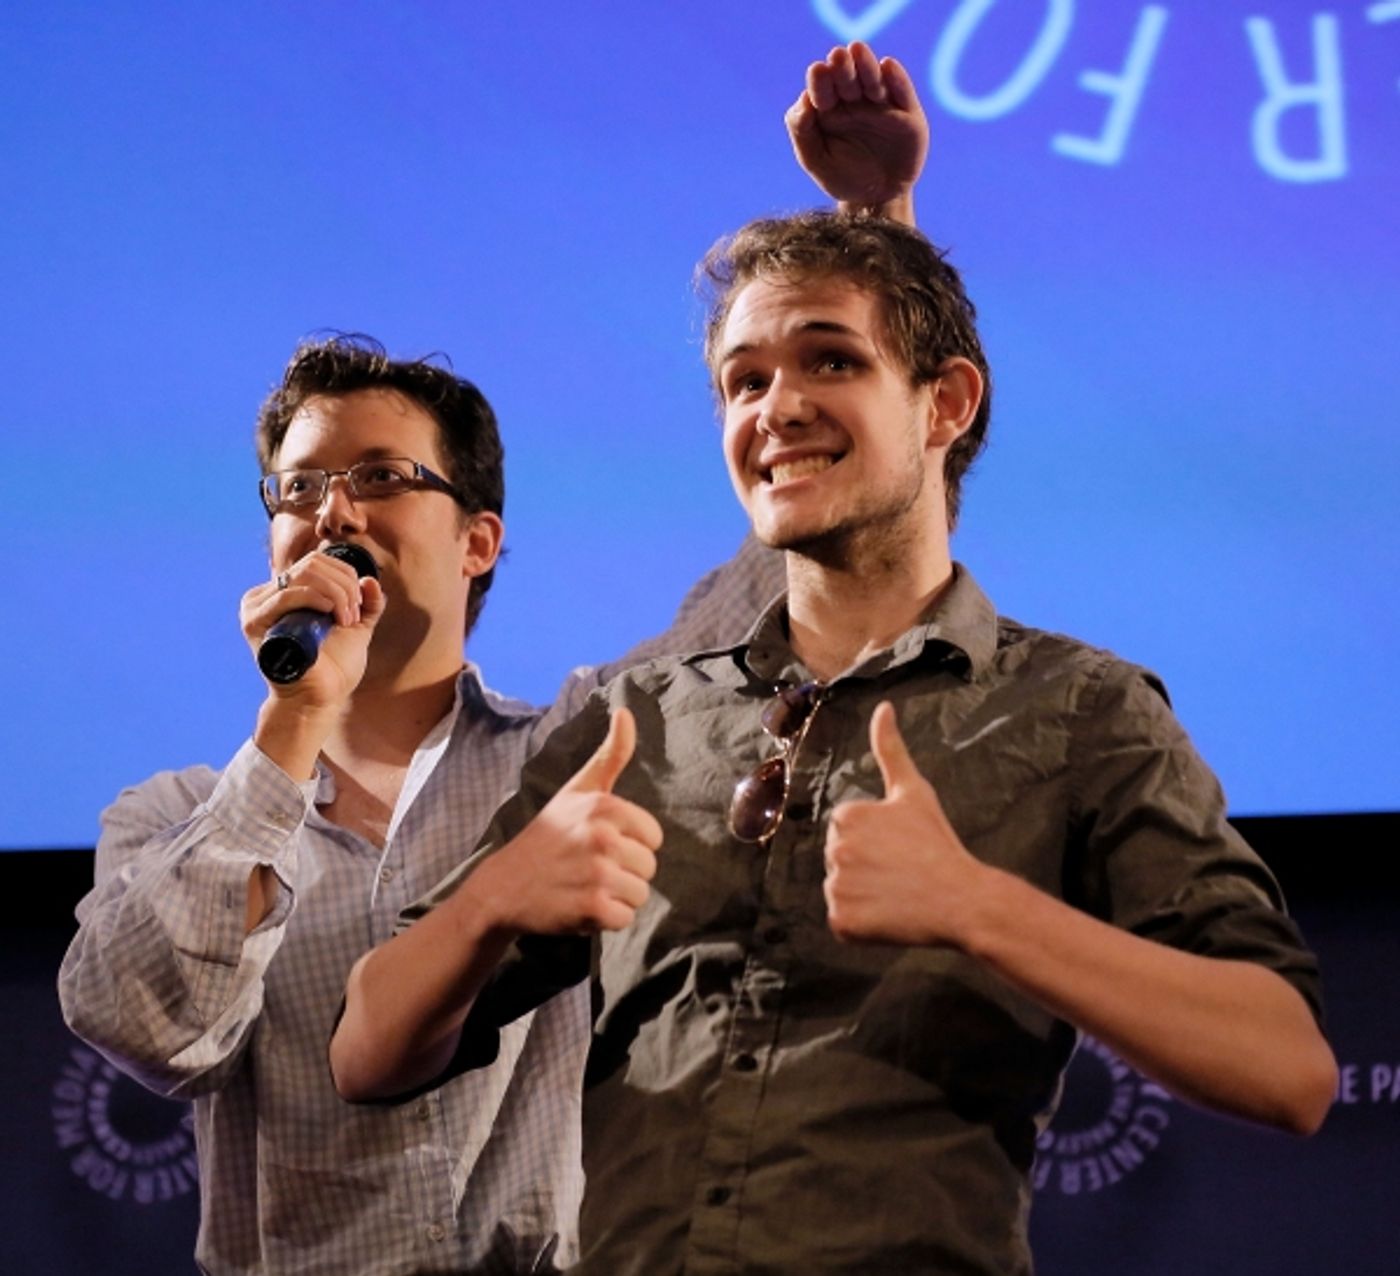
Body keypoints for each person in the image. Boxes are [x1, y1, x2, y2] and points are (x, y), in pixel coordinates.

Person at [330, 116, 1339, 1276]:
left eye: (830, 360)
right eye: (741, 381)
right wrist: (494, 897)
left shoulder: (1080, 712)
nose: (775, 408)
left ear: (945, 403)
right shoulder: (636, 725)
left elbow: (1289, 1069)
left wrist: (977, 907)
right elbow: (368, 1053)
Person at [57, 41, 924, 1276]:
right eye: (297, 489)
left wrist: (873, 221)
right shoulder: (180, 818)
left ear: (477, 539)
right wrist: (295, 722)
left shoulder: (580, 753)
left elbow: (801, 571)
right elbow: (153, 1028)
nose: (331, 512)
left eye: (376, 478)